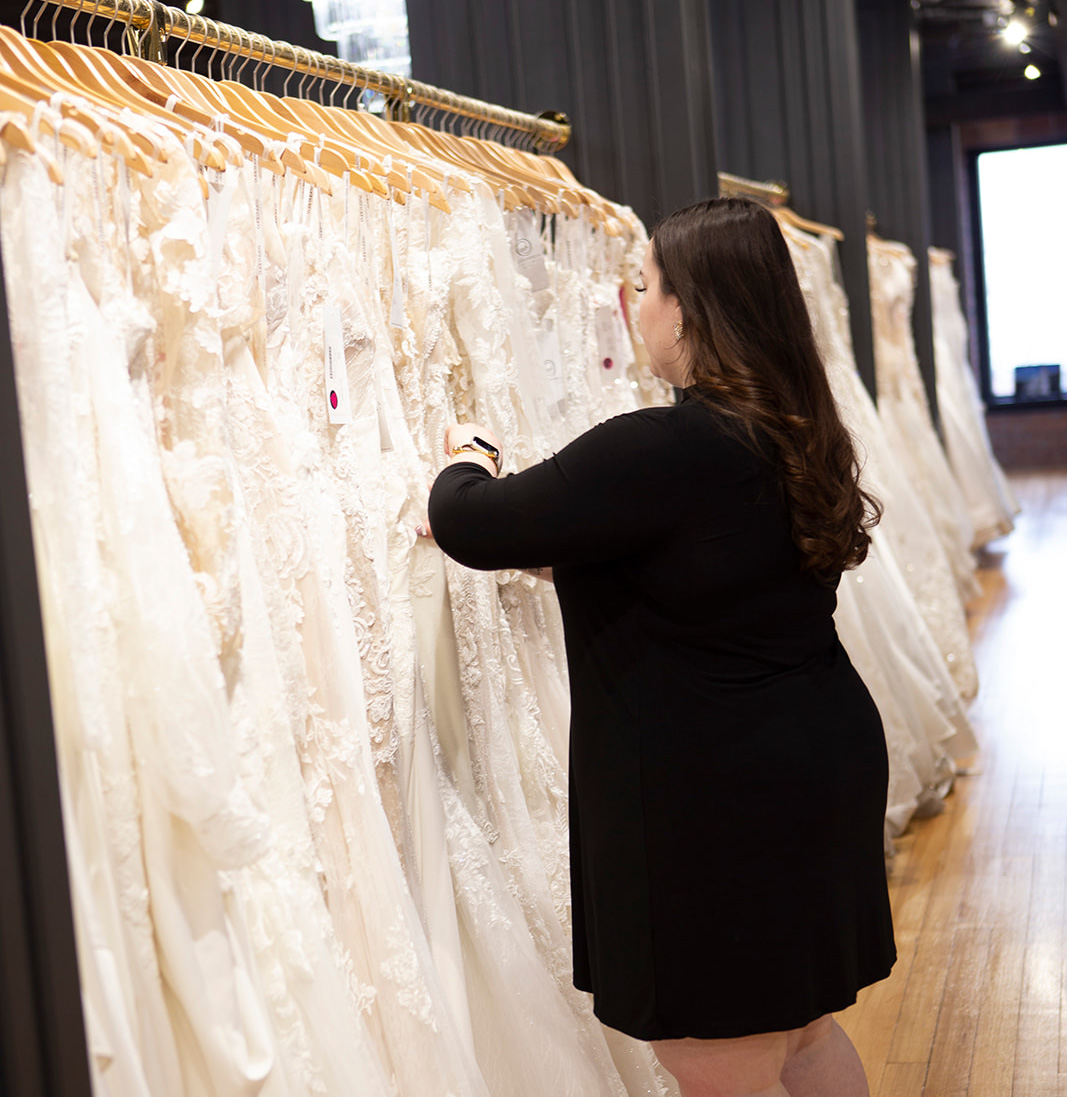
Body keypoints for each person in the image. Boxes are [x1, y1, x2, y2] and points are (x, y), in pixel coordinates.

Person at [425, 196, 895, 1097]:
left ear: (688, 308)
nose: (630, 301)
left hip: (714, 792)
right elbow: (700, 570)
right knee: (798, 1032)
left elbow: (472, 524)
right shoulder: (793, 427)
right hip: (809, 760)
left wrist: (465, 455)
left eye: (642, 284)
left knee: (718, 1059)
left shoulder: (662, 446)